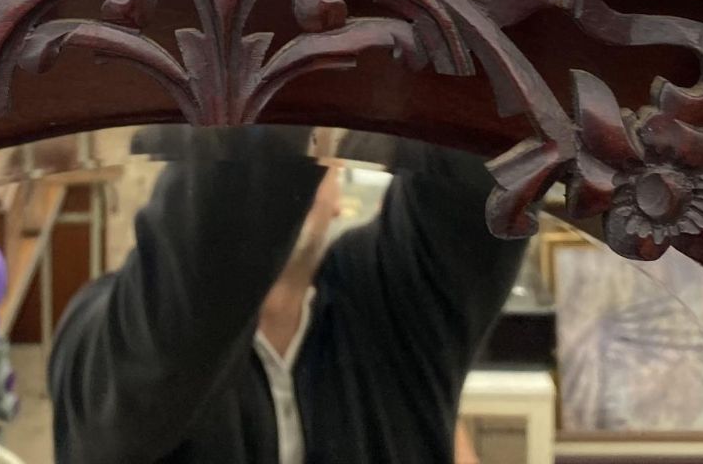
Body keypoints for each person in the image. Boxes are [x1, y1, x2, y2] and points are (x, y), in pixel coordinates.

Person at [47, 127, 526, 463]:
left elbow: (479, 177)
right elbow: (198, 280)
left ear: (338, 196)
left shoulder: (390, 306)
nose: (302, 160)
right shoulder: (103, 335)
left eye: (320, 154)